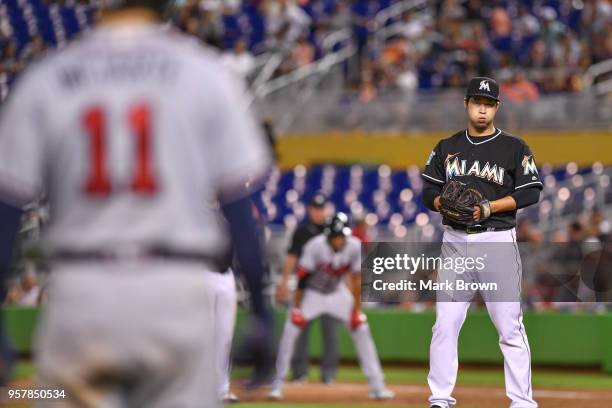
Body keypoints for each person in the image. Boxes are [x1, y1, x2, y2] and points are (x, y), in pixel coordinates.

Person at [0, 1, 272, 407]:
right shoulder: (204, 73)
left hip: (82, 289)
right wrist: (264, 313)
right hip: (173, 292)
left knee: (56, 392)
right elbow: (240, 208)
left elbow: (7, 214)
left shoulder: (47, 77)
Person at [421, 77, 541, 408]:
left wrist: (489, 206)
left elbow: (531, 191)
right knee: (444, 325)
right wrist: (440, 205)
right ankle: (440, 398)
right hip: (455, 242)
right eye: (477, 103)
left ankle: (522, 402)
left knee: (510, 329)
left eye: (488, 104)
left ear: (497, 107)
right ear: (466, 104)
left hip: (498, 241)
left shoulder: (515, 147)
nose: (482, 109)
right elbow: (428, 192)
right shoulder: (446, 147)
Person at [268, 213, 395, 401]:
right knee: (290, 329)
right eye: (334, 236)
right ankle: (277, 385)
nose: (337, 239)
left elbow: (356, 280)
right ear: (328, 235)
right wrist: (296, 308)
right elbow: (302, 279)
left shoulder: (353, 246)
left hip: (337, 293)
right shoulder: (315, 246)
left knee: (361, 327)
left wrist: (356, 311)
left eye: (340, 235)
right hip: (311, 294)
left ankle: (377, 386)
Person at [275, 193, 339, 384]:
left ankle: (329, 374)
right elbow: (291, 257)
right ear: (310, 209)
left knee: (331, 332)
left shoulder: (335, 230)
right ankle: (300, 372)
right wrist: (284, 282)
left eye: (321, 208)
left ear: (326, 209)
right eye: (315, 208)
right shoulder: (302, 231)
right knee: (300, 330)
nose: (318, 212)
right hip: (307, 288)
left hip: (330, 287)